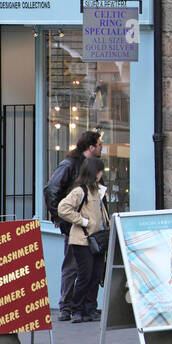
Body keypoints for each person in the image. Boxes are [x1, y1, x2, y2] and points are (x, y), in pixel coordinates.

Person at [43, 130, 103, 321]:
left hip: (91, 228)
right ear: (91, 147)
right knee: (72, 265)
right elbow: (51, 189)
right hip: (75, 225)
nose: (102, 147)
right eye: (99, 144)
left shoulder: (91, 167)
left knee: (89, 269)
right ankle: (67, 306)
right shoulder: (70, 164)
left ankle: (85, 306)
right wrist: (59, 218)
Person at [57, 157, 108, 323]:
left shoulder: (99, 191)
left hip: (98, 239)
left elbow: (102, 212)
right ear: (95, 172)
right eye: (100, 171)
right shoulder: (80, 191)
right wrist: (83, 221)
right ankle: (77, 309)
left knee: (96, 275)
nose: (101, 174)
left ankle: (90, 308)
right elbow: (63, 209)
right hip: (82, 239)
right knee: (85, 275)